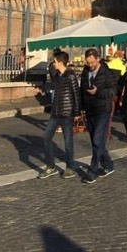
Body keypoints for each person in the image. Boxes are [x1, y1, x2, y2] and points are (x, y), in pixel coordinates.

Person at [38, 50, 81, 179]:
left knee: (68, 142)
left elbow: (76, 94)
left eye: (55, 61)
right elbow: (51, 72)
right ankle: (51, 166)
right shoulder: (57, 76)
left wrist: (77, 113)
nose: (53, 63)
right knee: (46, 137)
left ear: (61, 62)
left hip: (67, 113)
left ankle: (70, 167)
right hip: (55, 112)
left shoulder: (70, 75)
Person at [80, 48, 117, 184]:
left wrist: (97, 92)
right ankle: (108, 165)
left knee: (97, 141)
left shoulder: (107, 73)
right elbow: (82, 91)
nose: (90, 65)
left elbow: (113, 91)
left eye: (92, 62)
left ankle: (93, 171)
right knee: (97, 141)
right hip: (90, 110)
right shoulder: (85, 72)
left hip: (103, 111)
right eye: (88, 62)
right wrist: (80, 109)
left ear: (98, 59)